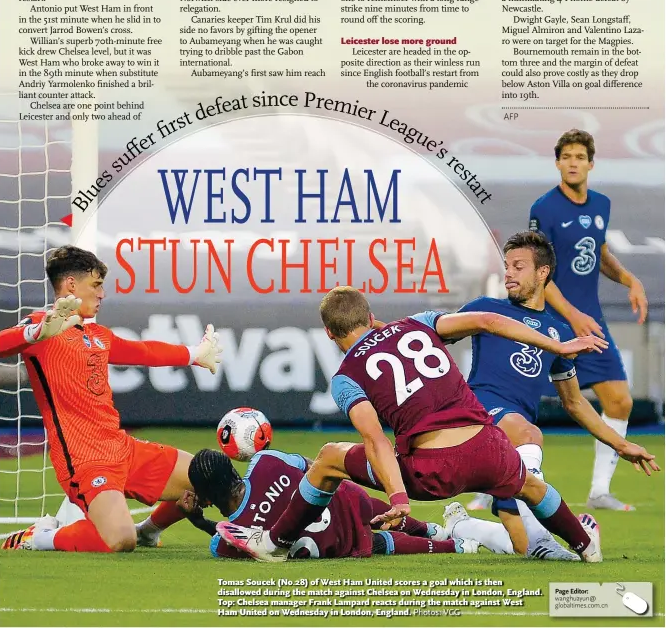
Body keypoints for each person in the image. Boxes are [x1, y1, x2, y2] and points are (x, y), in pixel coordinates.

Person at [216, 287, 608, 563]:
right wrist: (557, 346)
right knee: (533, 486)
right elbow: (488, 320)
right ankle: (584, 545)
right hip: (489, 448)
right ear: (371, 316)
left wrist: (400, 499)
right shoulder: (418, 323)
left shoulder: (346, 376)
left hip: (433, 470)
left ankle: (275, 542)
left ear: (330, 334)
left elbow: (376, 440)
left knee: (329, 458)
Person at [0, 245, 222, 552]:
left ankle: (149, 530)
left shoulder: (97, 334)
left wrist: (195, 354)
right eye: (97, 285)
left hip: (122, 448)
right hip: (85, 461)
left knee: (208, 477)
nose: (102, 294)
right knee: (119, 540)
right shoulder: (42, 325)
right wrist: (36, 333)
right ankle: (39, 537)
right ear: (72, 285)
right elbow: (0, 345)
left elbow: (142, 352)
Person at [456, 231, 658, 555]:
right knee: (528, 434)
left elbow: (575, 402)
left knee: (519, 544)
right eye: (506, 265)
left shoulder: (560, 333)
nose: (507, 272)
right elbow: (431, 331)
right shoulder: (484, 310)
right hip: (481, 415)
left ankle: (464, 528)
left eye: (518, 266)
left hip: (512, 448)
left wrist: (621, 444)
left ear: (542, 273)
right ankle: (566, 540)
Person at [529, 129, 649, 511]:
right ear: (558, 163)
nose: (573, 163)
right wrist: (572, 314)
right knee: (518, 403)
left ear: (590, 163)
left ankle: (598, 491)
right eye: (567, 157)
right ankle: (491, 487)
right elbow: (538, 276)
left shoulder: (601, 204)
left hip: (589, 321)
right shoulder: (544, 209)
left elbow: (598, 253)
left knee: (618, 400)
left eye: (580, 157)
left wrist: (631, 279)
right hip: (549, 319)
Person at [148, 447, 484, 559]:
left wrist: (197, 520)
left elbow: (231, 540)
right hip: (346, 501)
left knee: (382, 542)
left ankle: (456, 547)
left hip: (334, 542)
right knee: (374, 507)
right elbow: (313, 465)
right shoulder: (264, 461)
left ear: (205, 498)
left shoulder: (225, 539)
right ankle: (437, 530)